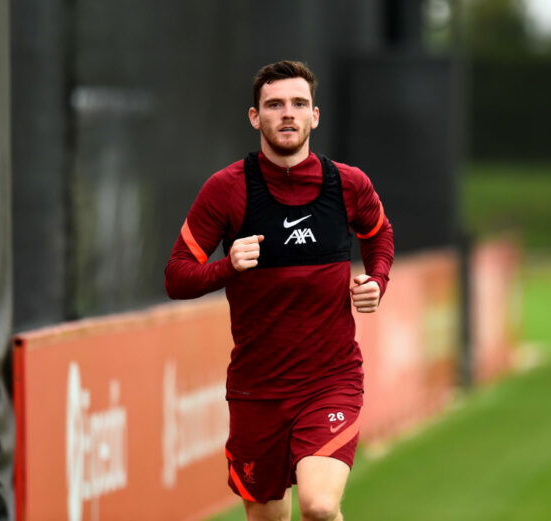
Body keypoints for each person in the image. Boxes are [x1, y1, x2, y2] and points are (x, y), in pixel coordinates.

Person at [165, 60, 394, 521]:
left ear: (315, 115)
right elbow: (177, 275)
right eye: (274, 104)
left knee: (319, 505)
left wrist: (377, 280)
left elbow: (379, 234)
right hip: (257, 391)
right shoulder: (226, 190)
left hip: (330, 381)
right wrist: (227, 267)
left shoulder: (348, 184)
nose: (287, 114)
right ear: (255, 117)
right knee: (269, 517)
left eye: (297, 104)